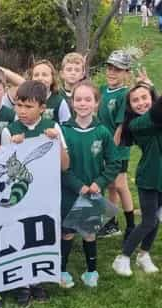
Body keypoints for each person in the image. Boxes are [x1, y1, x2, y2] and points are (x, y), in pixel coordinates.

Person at [2, 80, 69, 308]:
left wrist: (56, 142)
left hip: (45, 195)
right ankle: (22, 282)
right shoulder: (9, 131)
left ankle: (38, 279)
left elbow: (64, 166)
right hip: (21, 196)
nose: (22, 111)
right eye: (19, 105)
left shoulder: (52, 127)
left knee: (41, 234)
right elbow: (5, 171)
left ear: (42, 107)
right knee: (20, 234)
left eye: (28, 106)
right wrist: (13, 147)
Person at [60, 80, 120, 289]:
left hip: (93, 192)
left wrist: (100, 182)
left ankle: (91, 272)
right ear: (72, 102)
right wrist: (78, 186)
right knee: (66, 232)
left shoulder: (102, 132)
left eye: (88, 99)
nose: (82, 103)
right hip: (68, 192)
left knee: (88, 232)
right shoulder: (63, 131)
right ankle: (62, 270)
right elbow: (60, 168)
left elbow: (114, 162)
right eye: (78, 99)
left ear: (96, 103)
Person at [112, 82, 162, 276]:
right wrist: (153, 90)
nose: (140, 103)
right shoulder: (136, 124)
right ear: (130, 106)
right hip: (148, 178)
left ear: (151, 99)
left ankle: (143, 255)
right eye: (135, 100)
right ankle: (122, 258)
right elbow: (156, 113)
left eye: (144, 97)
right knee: (149, 221)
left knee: (156, 219)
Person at [97, 50, 134, 238]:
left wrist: (110, 152)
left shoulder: (124, 94)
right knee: (111, 186)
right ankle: (111, 223)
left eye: (118, 69)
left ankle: (131, 226)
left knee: (120, 185)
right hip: (103, 147)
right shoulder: (102, 90)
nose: (112, 72)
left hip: (117, 149)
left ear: (126, 72)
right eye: (110, 68)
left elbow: (120, 126)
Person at [29, 60, 71, 124]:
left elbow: (67, 126)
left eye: (44, 75)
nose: (40, 78)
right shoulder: (25, 99)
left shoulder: (59, 101)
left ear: (52, 79)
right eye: (36, 75)